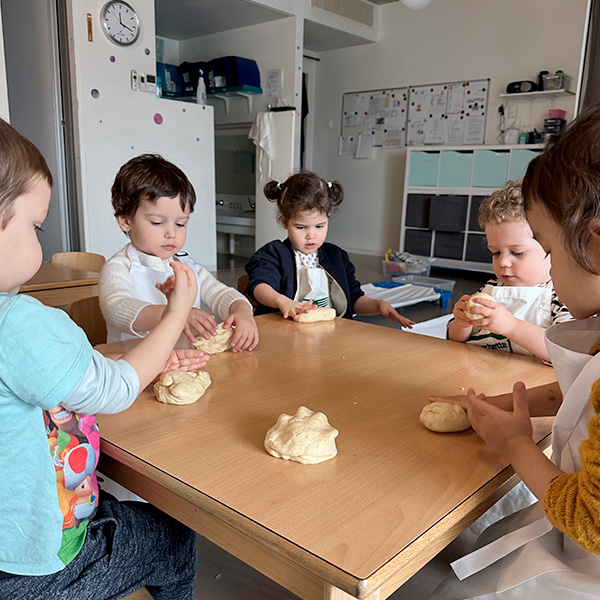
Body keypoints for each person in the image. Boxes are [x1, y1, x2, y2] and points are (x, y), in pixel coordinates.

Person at [0, 119, 199, 599]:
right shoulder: (16, 322)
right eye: (35, 225)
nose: (41, 243)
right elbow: (113, 391)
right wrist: (175, 316)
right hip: (31, 564)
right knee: (174, 537)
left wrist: (150, 361)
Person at [427, 104, 600, 599]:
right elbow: (581, 386)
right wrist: (500, 404)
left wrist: (516, 445)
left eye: (544, 247)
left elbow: (590, 520)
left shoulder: (571, 308)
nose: (505, 264)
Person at [99, 154, 259, 352]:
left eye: (181, 223)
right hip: (133, 368)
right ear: (125, 221)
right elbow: (117, 307)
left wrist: (242, 311)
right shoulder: (119, 267)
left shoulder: (187, 267)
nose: (171, 233)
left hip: (185, 362)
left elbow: (221, 293)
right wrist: (175, 314)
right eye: (157, 222)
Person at [244, 171, 415, 327]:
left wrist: (378, 305)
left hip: (330, 334)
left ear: (328, 218)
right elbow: (259, 286)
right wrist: (282, 301)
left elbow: (354, 299)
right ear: (284, 221)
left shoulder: (337, 256)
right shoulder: (274, 253)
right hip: (284, 333)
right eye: (301, 227)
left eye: (319, 226)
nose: (311, 235)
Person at [447, 180, 572, 363]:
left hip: (529, 386)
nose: (503, 262)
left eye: (517, 252)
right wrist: (461, 323)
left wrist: (511, 326)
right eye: (495, 253)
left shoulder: (563, 298)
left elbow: (566, 353)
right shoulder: (492, 288)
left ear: (554, 248)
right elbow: (453, 339)